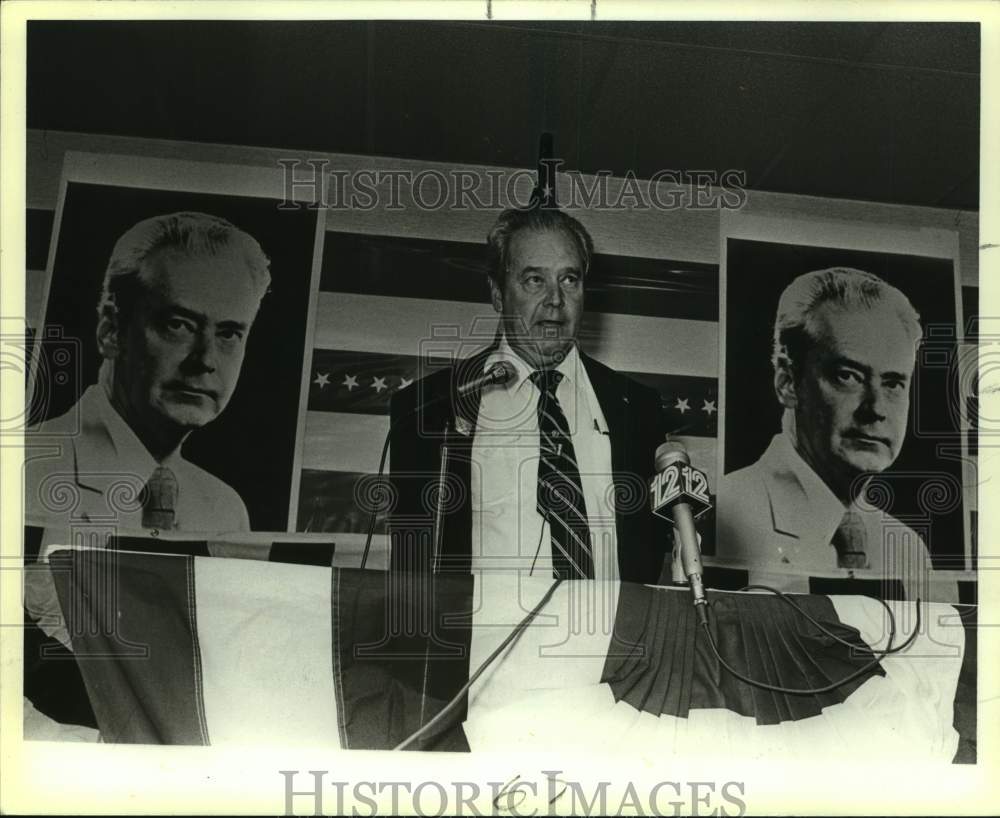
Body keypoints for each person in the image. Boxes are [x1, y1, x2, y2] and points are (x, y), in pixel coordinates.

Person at [23, 211, 271, 657]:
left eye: (230, 334)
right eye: (179, 325)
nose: (205, 360)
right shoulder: (22, 469)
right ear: (110, 330)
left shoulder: (224, 510)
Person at [388, 206, 669, 583]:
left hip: (609, 638)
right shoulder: (428, 406)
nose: (555, 299)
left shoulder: (639, 408)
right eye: (534, 280)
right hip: (483, 639)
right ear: (498, 294)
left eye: (569, 279)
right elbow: (413, 564)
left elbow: (649, 556)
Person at [716, 266, 954, 601]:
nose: (876, 409)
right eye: (848, 376)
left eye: (893, 383)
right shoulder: (722, 514)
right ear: (787, 383)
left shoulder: (906, 549)